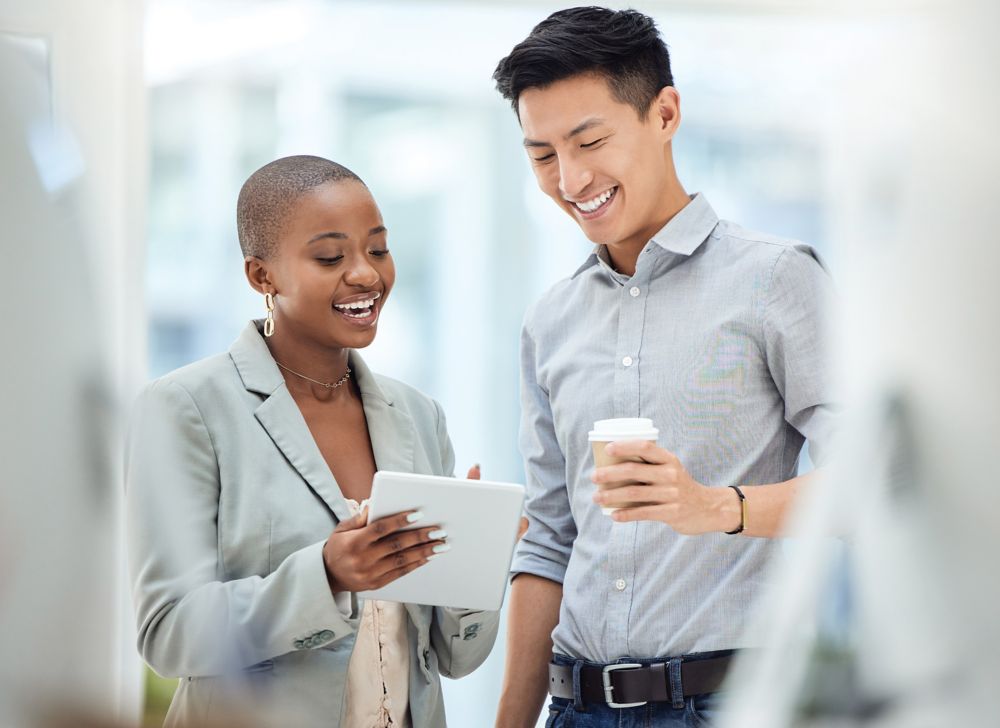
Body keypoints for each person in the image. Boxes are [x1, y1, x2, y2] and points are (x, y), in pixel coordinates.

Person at [491, 8, 836, 728]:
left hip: (723, 705)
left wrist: (715, 507)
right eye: (542, 154)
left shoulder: (776, 278)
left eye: (590, 140)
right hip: (572, 707)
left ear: (665, 113)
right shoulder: (550, 319)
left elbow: (869, 485)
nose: (571, 177)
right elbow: (551, 539)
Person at [125, 155, 499, 728]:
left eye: (377, 249)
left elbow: (457, 658)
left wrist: (474, 559)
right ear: (261, 276)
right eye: (331, 256)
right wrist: (327, 576)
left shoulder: (419, 415)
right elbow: (169, 632)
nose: (366, 275)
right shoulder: (186, 407)